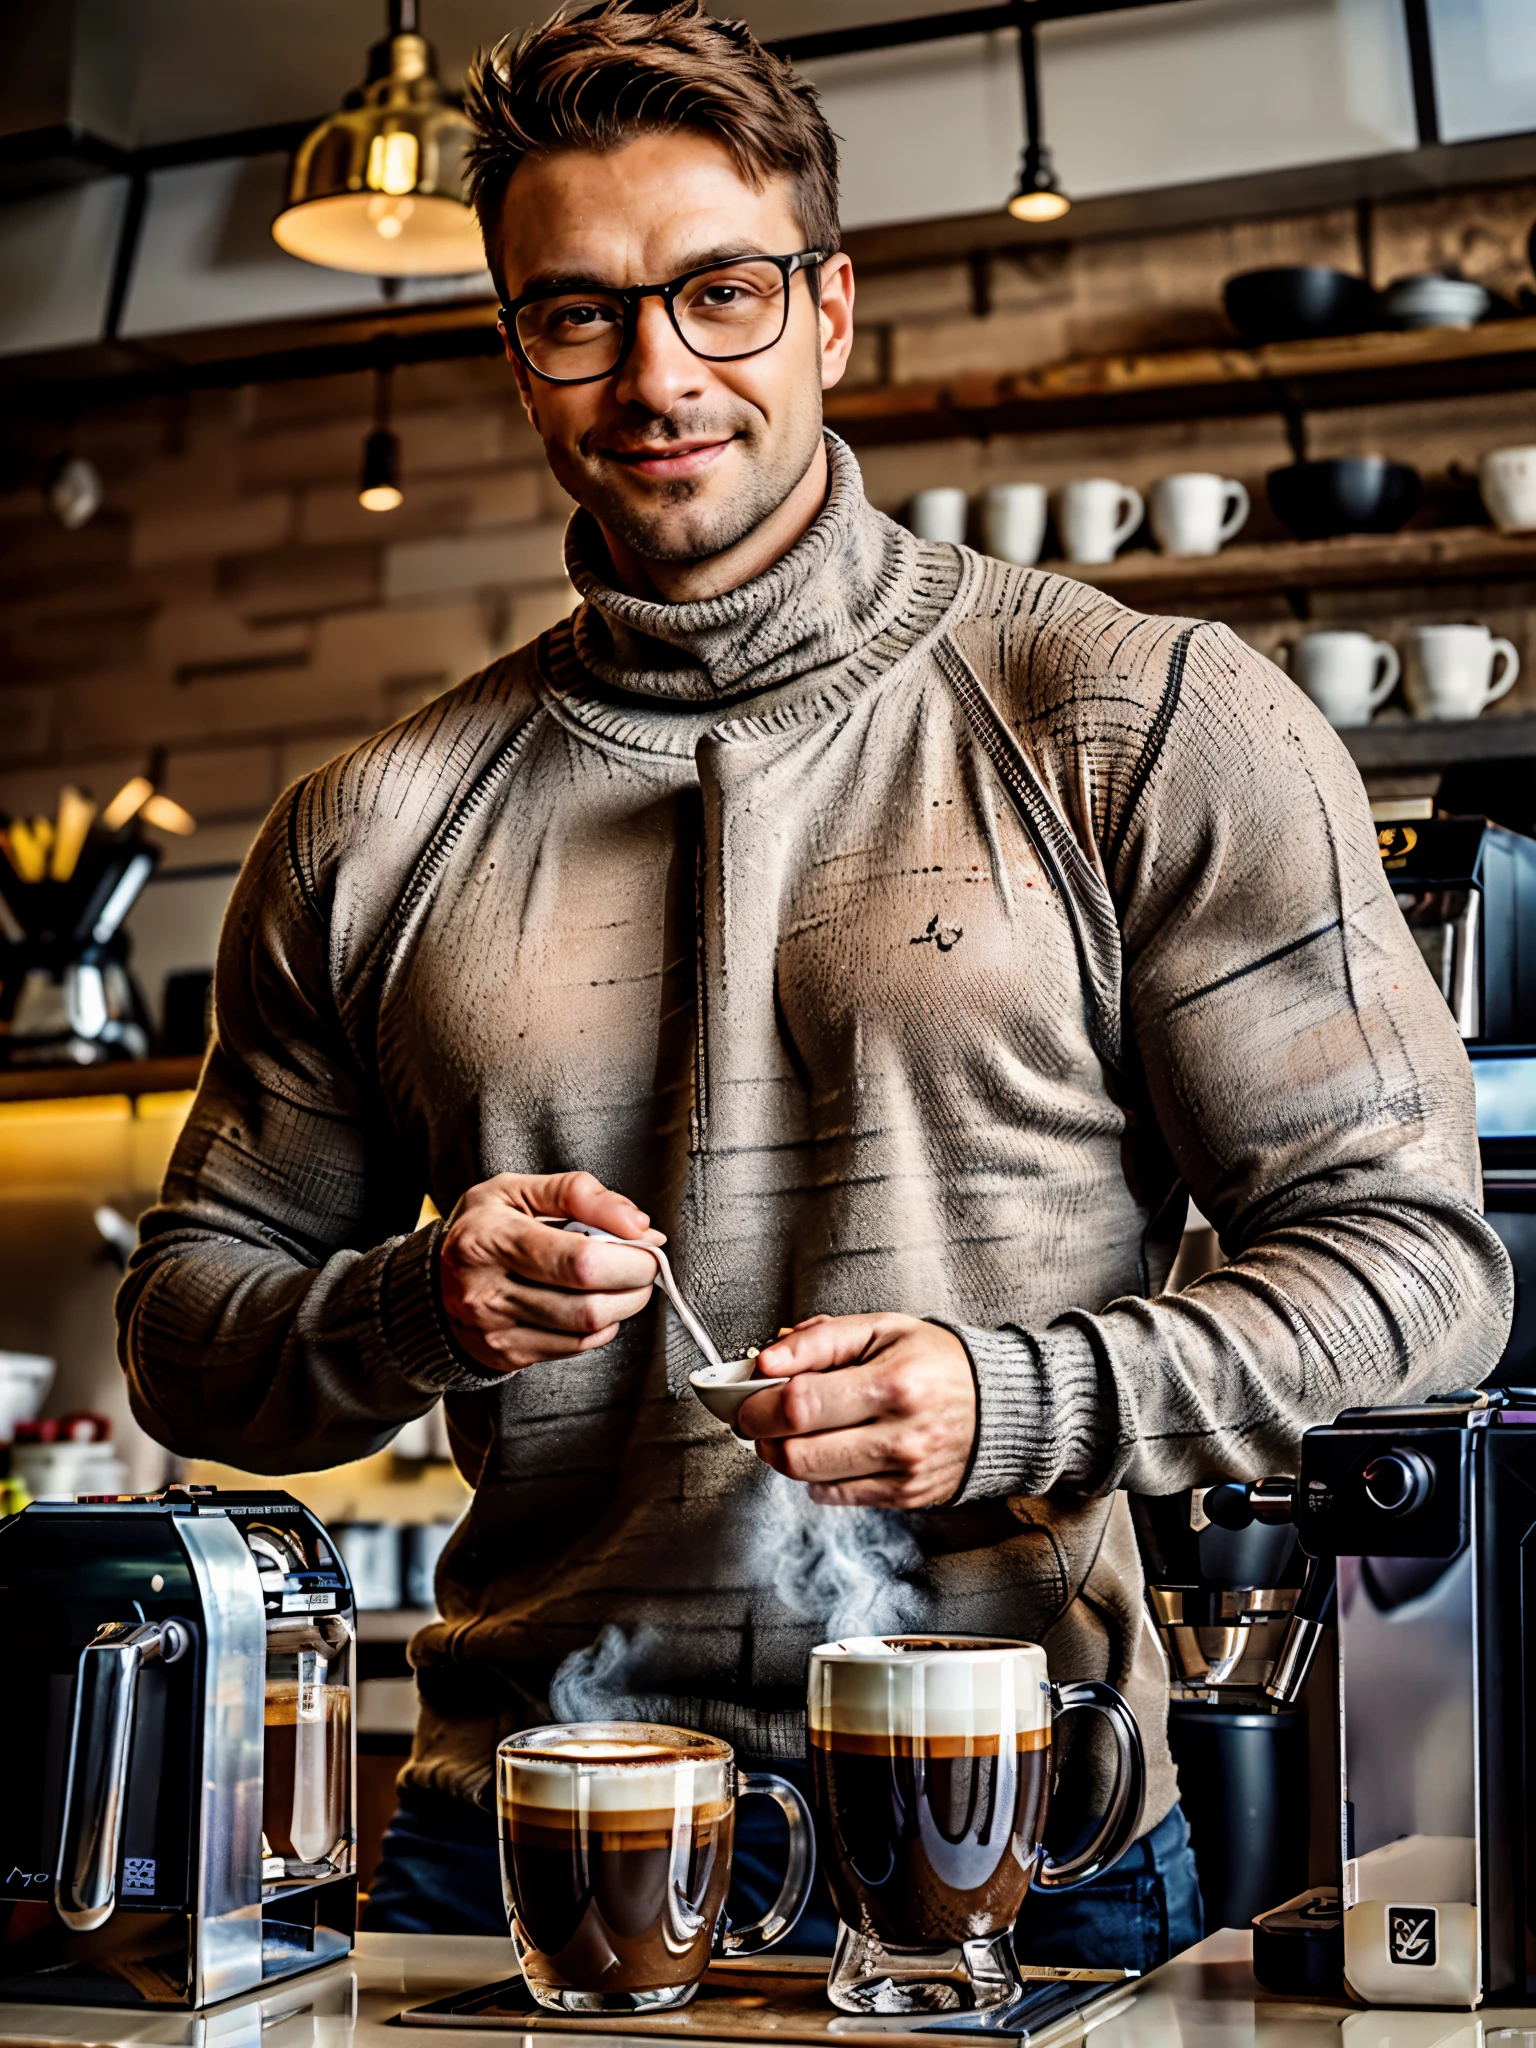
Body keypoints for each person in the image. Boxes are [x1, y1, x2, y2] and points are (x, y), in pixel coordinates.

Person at [117, 0, 1511, 1972]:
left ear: (833, 311)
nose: (656, 371)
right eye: (577, 312)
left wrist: (1014, 1402)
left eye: (722, 292)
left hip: (1018, 1845)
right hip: (515, 1847)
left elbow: (1423, 1280)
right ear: (513, 350)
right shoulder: (373, 822)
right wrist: (414, 1296)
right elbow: (185, 1338)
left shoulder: (1135, 715)